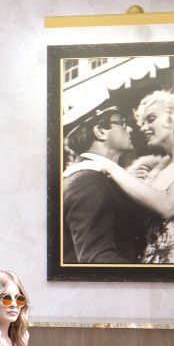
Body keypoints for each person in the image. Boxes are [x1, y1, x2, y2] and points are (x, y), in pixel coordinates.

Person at [63, 90, 174, 264]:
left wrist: (111, 168)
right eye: (141, 122)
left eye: (151, 119)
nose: (141, 128)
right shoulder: (153, 171)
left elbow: (168, 205)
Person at [59, 104, 146, 264]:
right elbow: (96, 259)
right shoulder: (88, 180)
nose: (131, 130)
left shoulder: (90, 176)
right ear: (100, 131)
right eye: (122, 123)